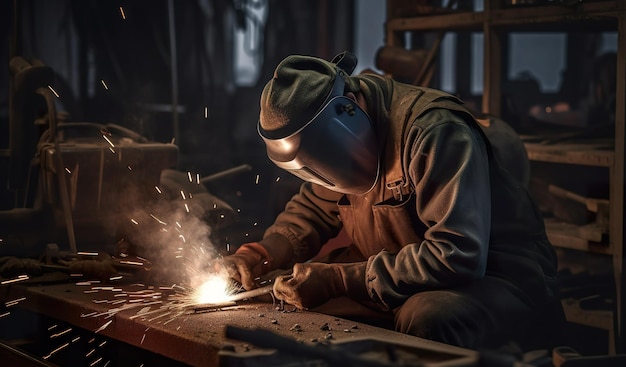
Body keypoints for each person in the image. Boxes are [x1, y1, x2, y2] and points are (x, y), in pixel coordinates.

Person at [221, 51, 561, 350]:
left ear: (348, 112)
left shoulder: (434, 132)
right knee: (289, 297)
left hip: (493, 279)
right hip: (393, 276)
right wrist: (260, 254)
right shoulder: (336, 143)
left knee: (428, 316)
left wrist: (339, 279)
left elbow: (458, 256)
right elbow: (313, 208)